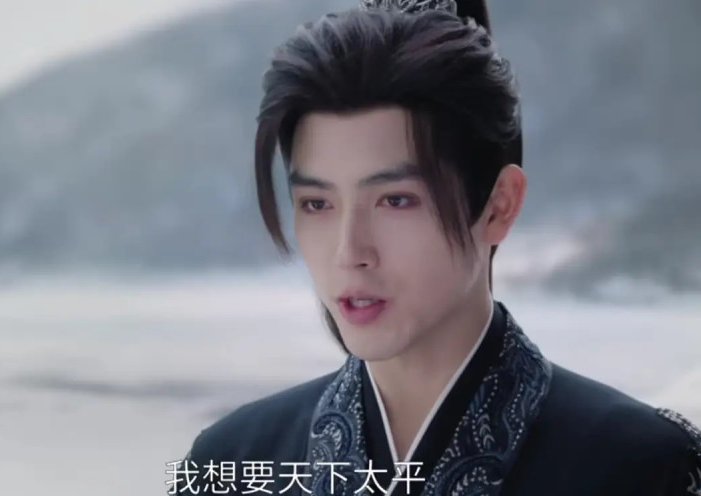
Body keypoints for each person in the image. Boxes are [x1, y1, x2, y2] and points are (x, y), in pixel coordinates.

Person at [169, 1, 701, 494]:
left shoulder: (642, 467)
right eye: (317, 204)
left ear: (498, 205)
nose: (349, 252)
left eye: (395, 200)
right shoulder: (232, 463)